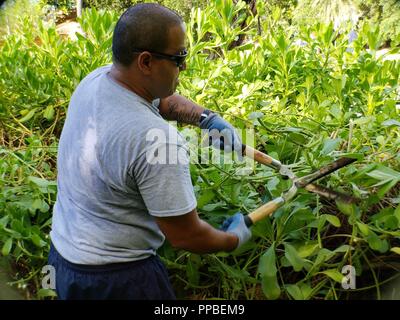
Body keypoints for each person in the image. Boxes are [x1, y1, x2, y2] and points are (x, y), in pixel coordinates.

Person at [48, 3, 251, 300]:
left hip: (64, 258)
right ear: (145, 62)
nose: (184, 67)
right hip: (117, 280)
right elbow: (186, 235)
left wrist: (206, 118)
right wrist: (232, 239)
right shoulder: (158, 141)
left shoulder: (96, 80)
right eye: (179, 57)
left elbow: (159, 101)